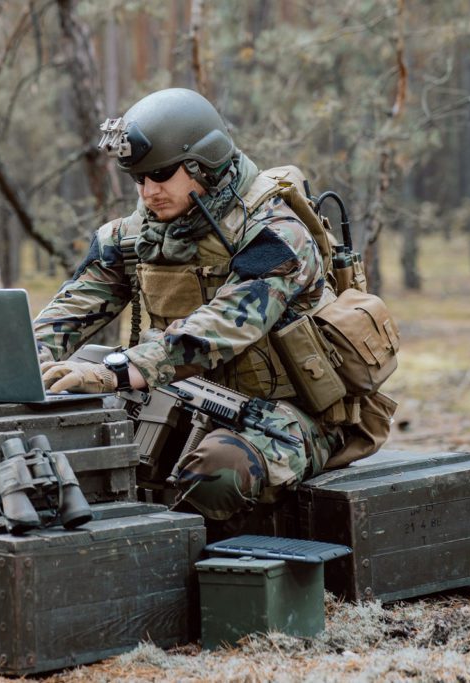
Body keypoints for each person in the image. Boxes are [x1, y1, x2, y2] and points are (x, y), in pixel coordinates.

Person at [34, 88, 341, 525]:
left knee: (215, 475)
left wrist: (114, 372)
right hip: (182, 402)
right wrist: (26, 361)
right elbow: (76, 304)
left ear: (204, 164)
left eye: (160, 174)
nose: (148, 191)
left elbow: (221, 327)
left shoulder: (276, 235)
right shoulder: (134, 235)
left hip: (283, 416)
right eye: (138, 179)